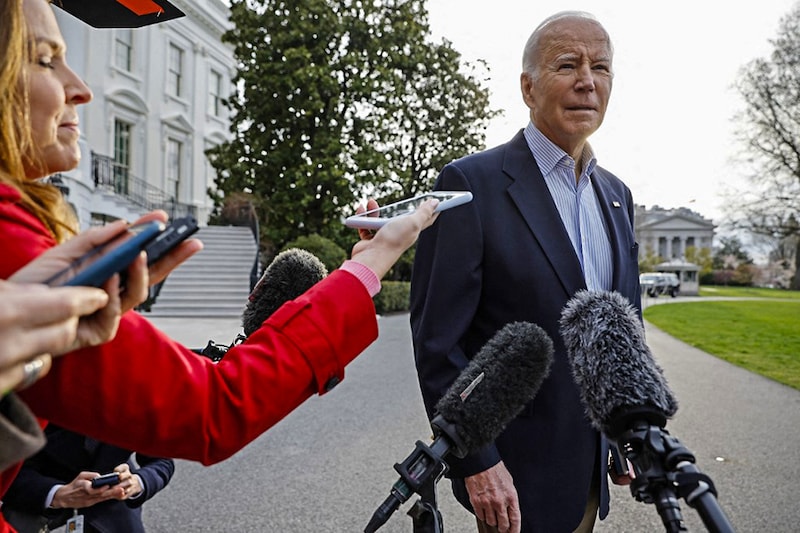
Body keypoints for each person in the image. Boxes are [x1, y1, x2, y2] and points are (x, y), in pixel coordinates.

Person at [0, 2, 438, 531]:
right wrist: (372, 266)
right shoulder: (11, 237)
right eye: (46, 60)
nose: (80, 88)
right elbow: (213, 409)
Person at [410, 11, 641, 533]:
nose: (588, 80)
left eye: (601, 67)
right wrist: (477, 462)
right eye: (568, 64)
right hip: (511, 478)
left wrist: (626, 431)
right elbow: (438, 345)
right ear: (528, 87)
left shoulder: (618, 197)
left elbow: (622, 331)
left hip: (587, 475)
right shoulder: (469, 184)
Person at [3, 423, 174, 533]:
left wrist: (137, 482)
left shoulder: (134, 395)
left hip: (110, 493)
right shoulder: (33, 389)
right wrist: (56, 494)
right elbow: (6, 468)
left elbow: (162, 460)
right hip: (38, 489)